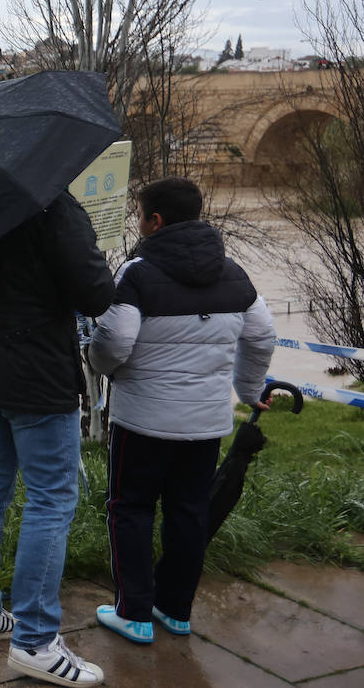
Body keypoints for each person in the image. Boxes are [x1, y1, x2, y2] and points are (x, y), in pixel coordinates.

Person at [88, 177, 274, 643]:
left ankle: (132, 613)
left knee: (129, 509)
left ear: (155, 221)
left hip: (142, 424)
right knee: (188, 512)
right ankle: (174, 610)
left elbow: (115, 341)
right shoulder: (235, 274)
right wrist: (249, 391)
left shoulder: (137, 273)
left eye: (141, 216)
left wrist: (102, 366)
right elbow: (262, 335)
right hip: (206, 424)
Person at [0, 191, 114, 687]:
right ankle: (36, 642)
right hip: (36, 375)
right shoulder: (53, 206)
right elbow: (96, 294)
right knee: (50, 499)